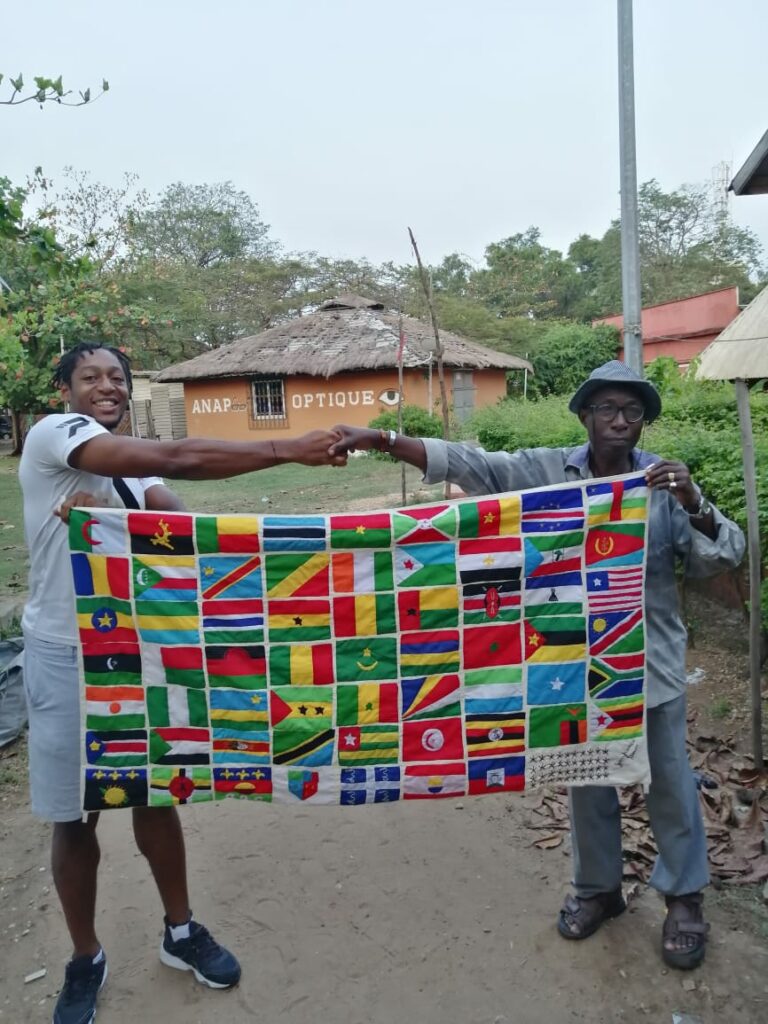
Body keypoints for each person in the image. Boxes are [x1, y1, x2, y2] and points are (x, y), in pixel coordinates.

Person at [330, 360, 745, 971]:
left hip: (646, 659)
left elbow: (724, 555)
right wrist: (384, 440)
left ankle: (684, 897)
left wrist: (694, 497)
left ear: (644, 421)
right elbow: (475, 464)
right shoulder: (549, 470)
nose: (620, 421)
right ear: (585, 417)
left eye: (632, 411)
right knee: (586, 776)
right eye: (607, 409)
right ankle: (598, 888)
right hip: (567, 659)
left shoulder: (660, 484)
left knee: (671, 782)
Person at [19, 341, 348, 1024]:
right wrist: (287, 448)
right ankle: (85, 958)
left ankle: (180, 931)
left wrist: (321, 547)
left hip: (139, 651)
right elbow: (175, 457)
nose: (106, 386)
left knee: (153, 789)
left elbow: (193, 533)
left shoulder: (129, 478)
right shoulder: (55, 437)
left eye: (117, 376)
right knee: (74, 814)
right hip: (65, 655)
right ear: (65, 393)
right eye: (90, 377)